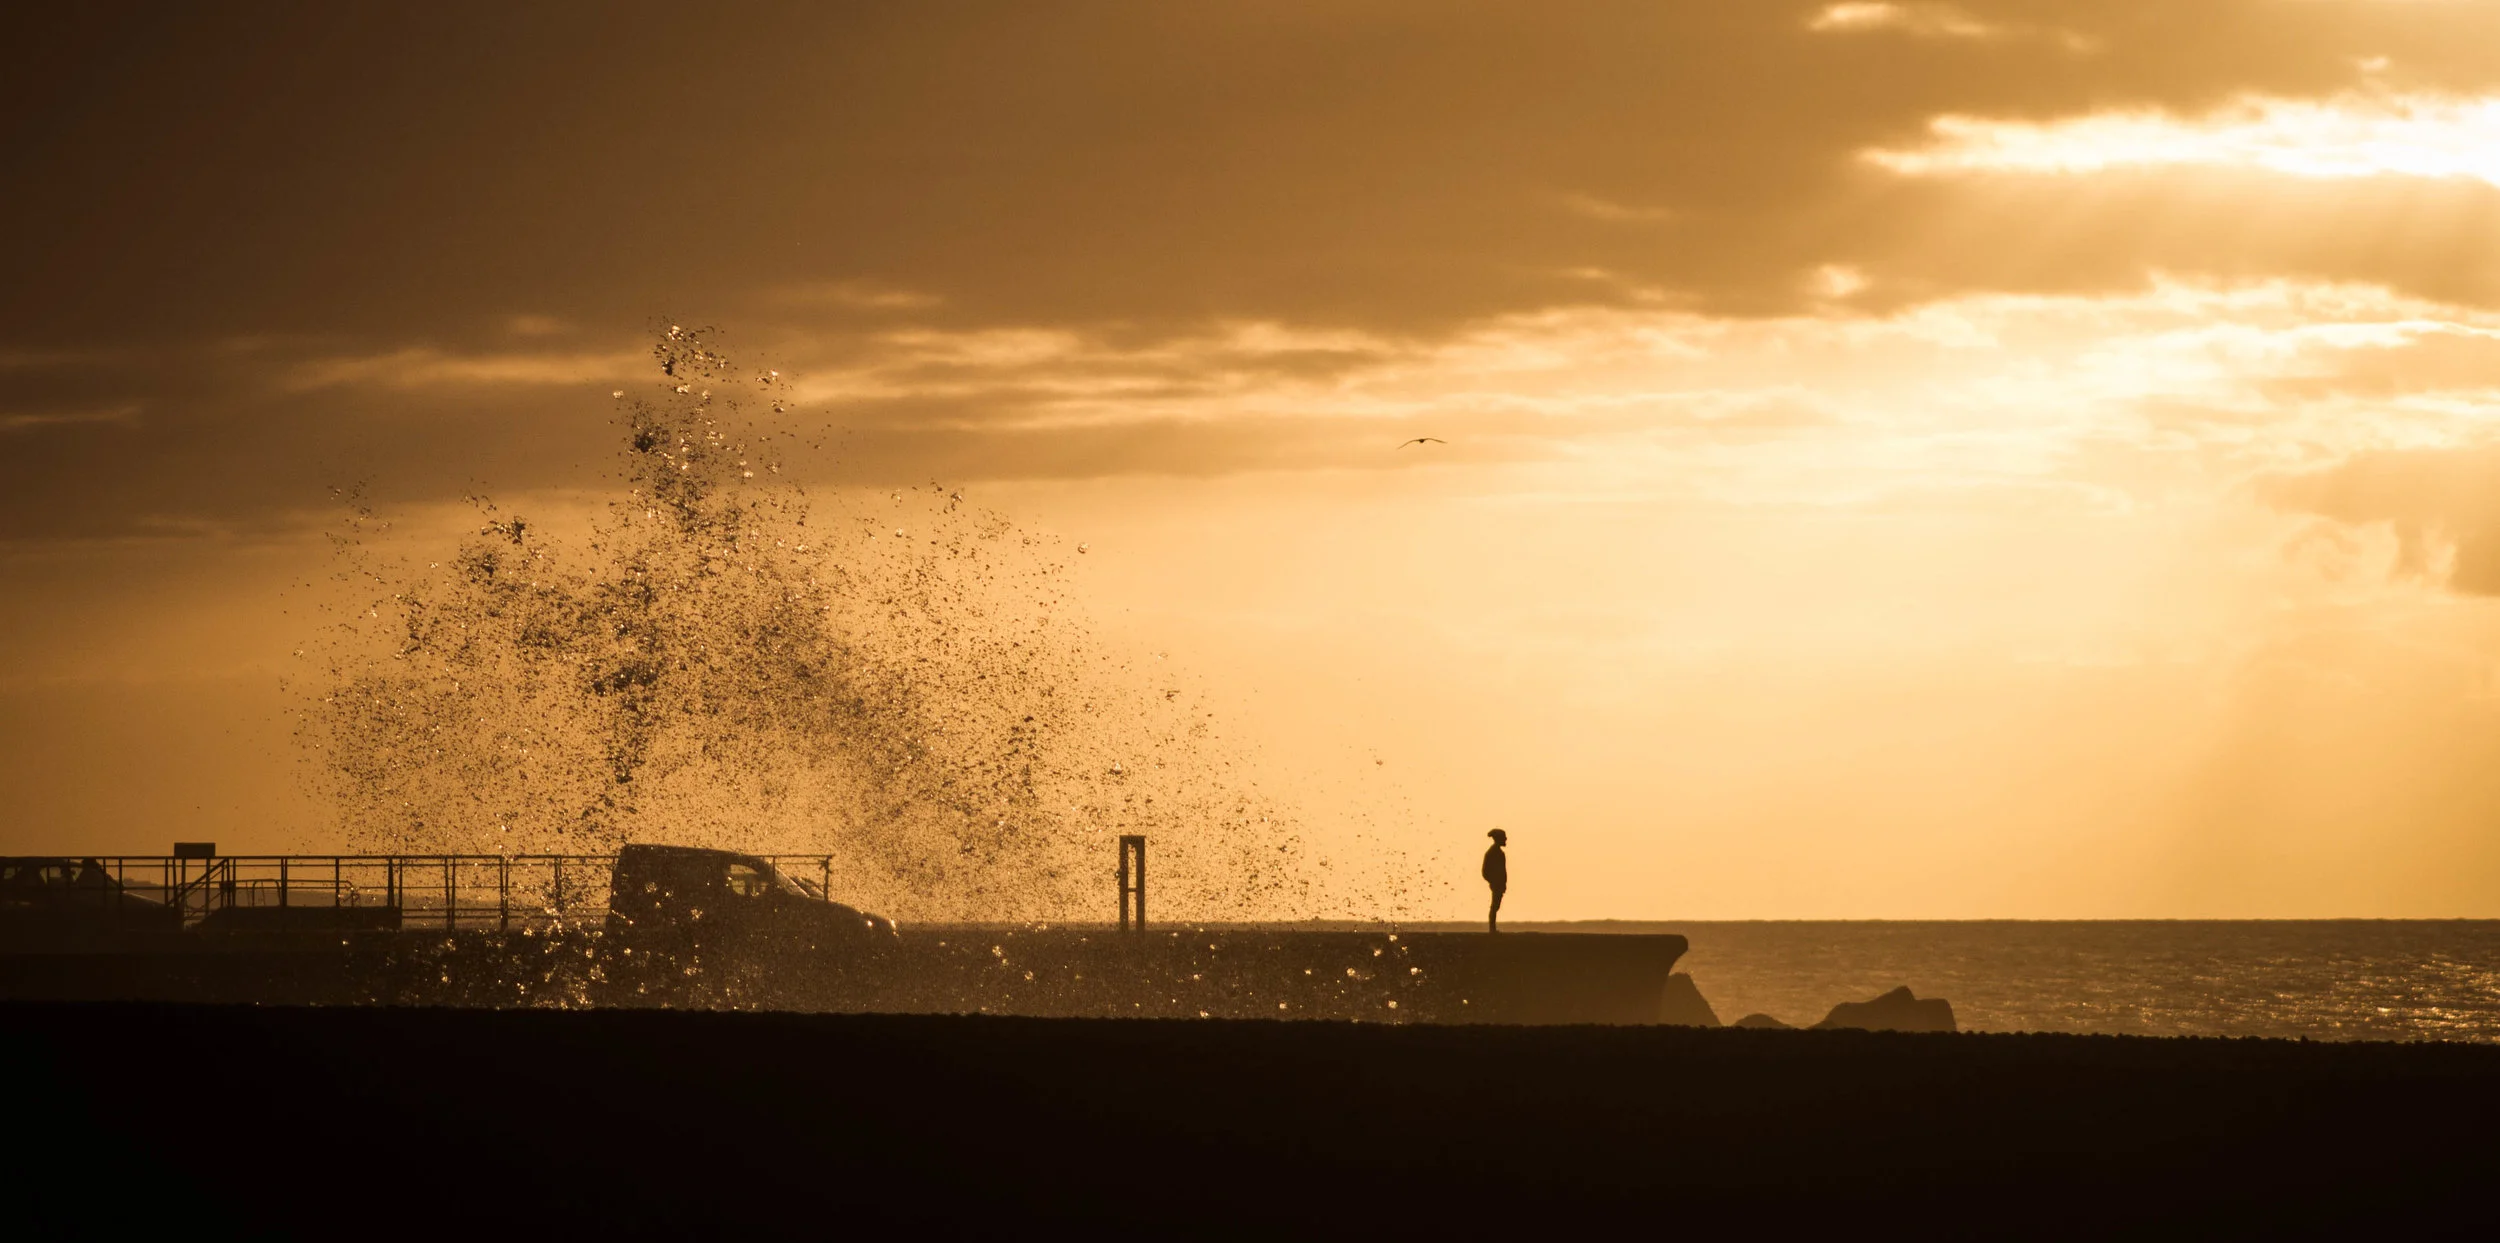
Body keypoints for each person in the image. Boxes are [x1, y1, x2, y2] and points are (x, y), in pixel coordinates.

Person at [1482, 829, 1508, 933]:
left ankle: (1492, 928)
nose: (1506, 839)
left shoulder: (1498, 852)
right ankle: (1492, 929)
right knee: (1494, 906)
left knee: (1495, 906)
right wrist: (1493, 881)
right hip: (1497, 884)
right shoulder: (1493, 853)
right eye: (1504, 837)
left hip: (1499, 884)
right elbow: (1485, 871)